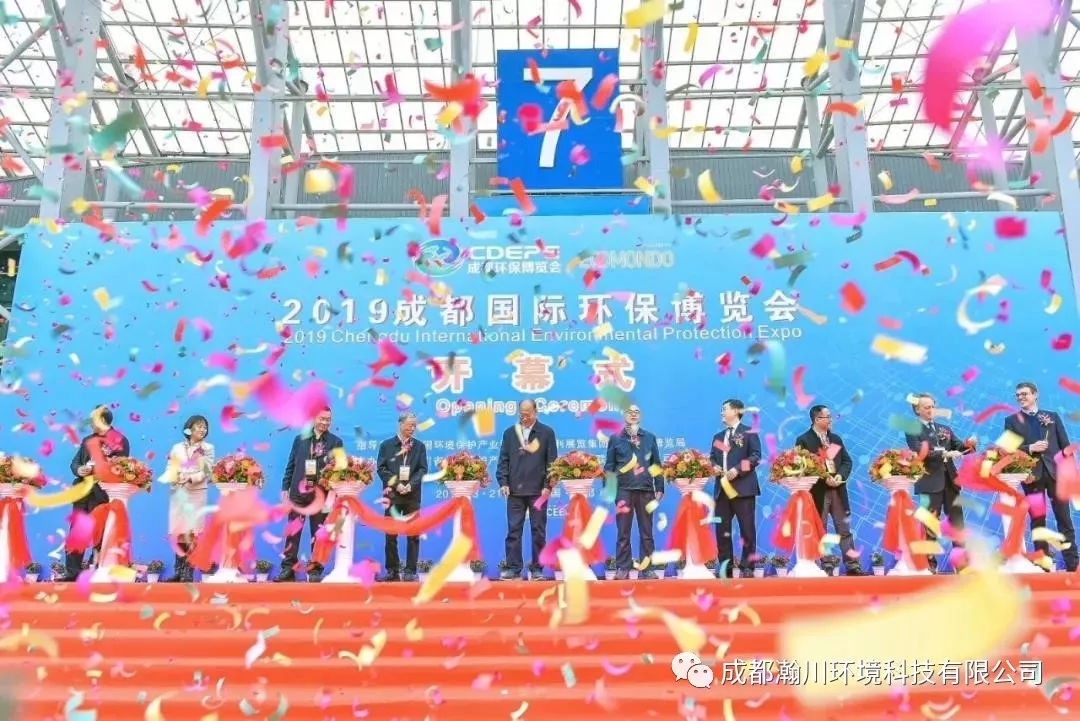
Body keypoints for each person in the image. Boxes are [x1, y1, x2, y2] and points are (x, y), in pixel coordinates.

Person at [1003, 382, 1077, 572]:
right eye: (1018, 395)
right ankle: (1044, 565)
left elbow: (1065, 447)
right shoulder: (1011, 421)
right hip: (1031, 477)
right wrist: (1030, 448)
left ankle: (1073, 564)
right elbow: (1006, 449)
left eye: (1024, 394)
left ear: (1035, 395)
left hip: (1056, 476)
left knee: (1064, 519)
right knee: (1038, 520)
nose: (1021, 397)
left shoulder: (1052, 417)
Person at [904, 393, 975, 572]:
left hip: (950, 481)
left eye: (933, 406)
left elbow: (959, 447)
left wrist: (969, 444)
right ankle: (929, 565)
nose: (931, 410)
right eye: (926, 407)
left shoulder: (944, 428)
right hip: (929, 482)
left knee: (957, 523)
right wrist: (944, 453)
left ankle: (962, 565)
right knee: (930, 524)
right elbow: (920, 452)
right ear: (917, 410)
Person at [275, 407, 343, 582]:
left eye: (328, 419)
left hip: (321, 494)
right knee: (293, 531)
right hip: (298, 492)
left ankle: (314, 570)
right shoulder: (300, 439)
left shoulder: (336, 442)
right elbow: (291, 464)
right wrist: (285, 487)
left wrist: (333, 493)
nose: (325, 422)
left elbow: (340, 470)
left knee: (318, 533)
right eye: (322, 419)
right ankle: (288, 569)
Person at [64, 405, 130, 581]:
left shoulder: (119, 440)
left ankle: (97, 570)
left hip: (102, 493)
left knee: (100, 532)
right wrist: (80, 470)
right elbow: (74, 463)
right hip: (82, 491)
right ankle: (72, 571)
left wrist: (97, 470)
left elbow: (120, 466)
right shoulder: (87, 440)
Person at [795, 404, 862, 575]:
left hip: (838, 490)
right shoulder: (804, 440)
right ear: (817, 419)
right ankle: (827, 564)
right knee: (821, 529)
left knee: (844, 529)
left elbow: (846, 461)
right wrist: (824, 477)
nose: (831, 420)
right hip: (818, 491)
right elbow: (803, 466)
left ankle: (852, 565)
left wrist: (839, 476)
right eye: (828, 417)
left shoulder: (835, 439)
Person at [497, 399, 558, 581]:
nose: (524, 418)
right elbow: (503, 460)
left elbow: (552, 463)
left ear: (536, 412)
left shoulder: (546, 432)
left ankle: (537, 569)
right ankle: (513, 568)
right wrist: (503, 482)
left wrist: (548, 486)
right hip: (514, 491)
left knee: (538, 531)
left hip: (539, 491)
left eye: (528, 414)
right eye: (521, 414)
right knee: (513, 531)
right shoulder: (510, 433)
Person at [604, 405, 663, 580]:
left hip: (645, 490)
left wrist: (659, 487)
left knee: (647, 532)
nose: (633, 414)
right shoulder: (615, 438)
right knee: (623, 532)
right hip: (623, 490)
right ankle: (623, 567)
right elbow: (609, 466)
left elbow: (656, 465)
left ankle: (647, 569)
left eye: (637, 412)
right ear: (624, 415)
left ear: (640, 416)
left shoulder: (649, 438)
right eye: (630, 412)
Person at [710, 399, 761, 578]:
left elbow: (755, 457)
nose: (721, 412)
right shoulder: (718, 437)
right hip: (722, 490)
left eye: (724, 409)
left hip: (743, 488)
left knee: (747, 529)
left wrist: (737, 470)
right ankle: (726, 566)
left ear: (736, 411)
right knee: (722, 530)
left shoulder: (748, 432)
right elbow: (713, 458)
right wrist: (714, 467)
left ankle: (747, 566)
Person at [376, 412, 428, 581]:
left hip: (412, 495)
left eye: (414, 425)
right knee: (391, 534)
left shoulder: (419, 446)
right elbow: (382, 469)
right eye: (409, 425)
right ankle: (392, 570)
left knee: (413, 534)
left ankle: (410, 570)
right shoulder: (386, 445)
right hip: (393, 495)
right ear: (400, 424)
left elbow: (422, 469)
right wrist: (396, 483)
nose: (412, 428)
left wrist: (411, 484)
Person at [165, 415, 215, 583]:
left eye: (204, 427)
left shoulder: (208, 448)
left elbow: (206, 471)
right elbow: (170, 467)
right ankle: (178, 571)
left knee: (192, 532)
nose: (202, 430)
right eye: (199, 426)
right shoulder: (177, 447)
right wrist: (173, 477)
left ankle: (188, 570)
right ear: (189, 428)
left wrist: (191, 478)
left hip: (196, 493)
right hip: (178, 493)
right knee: (179, 531)